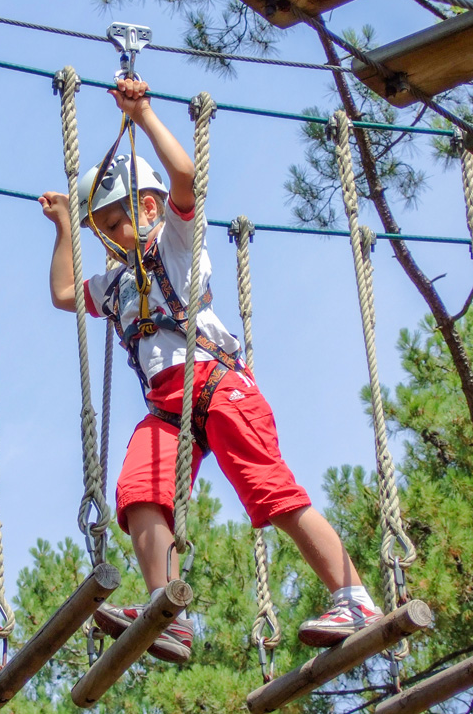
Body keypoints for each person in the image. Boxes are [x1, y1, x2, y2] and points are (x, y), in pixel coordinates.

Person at [37, 77, 382, 664]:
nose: (113, 240)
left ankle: (354, 596)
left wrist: (143, 114)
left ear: (147, 209)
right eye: (104, 232)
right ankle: (166, 613)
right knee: (137, 493)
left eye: (115, 224)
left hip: (218, 387)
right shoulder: (118, 282)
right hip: (169, 411)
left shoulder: (174, 242)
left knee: (269, 491)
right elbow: (66, 293)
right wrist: (69, 227)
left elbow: (187, 180)